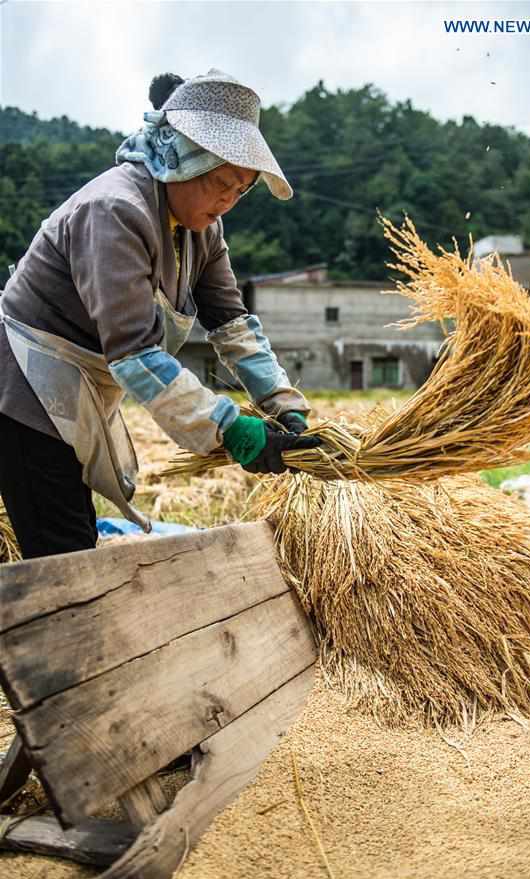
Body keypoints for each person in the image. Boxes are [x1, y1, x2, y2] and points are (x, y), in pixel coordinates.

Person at [0, 69, 320, 560]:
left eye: (242, 189)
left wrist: (283, 404)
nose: (228, 202)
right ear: (184, 159)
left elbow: (232, 323)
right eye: (220, 182)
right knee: (64, 561)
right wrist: (230, 428)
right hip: (23, 387)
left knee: (72, 546)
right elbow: (135, 353)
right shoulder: (114, 210)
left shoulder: (201, 232)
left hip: (77, 389)